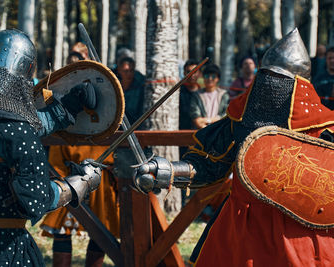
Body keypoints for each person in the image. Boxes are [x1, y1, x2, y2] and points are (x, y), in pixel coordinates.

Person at [134, 28, 334, 266]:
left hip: (296, 231)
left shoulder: (322, 129)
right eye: (266, 76)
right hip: (241, 224)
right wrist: (166, 169)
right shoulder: (241, 120)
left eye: (279, 80)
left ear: (297, 86)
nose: (269, 86)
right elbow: (208, 164)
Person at [0, 29, 103, 266]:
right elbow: (34, 200)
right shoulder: (16, 127)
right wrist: (78, 185)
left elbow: (6, 128)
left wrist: (67, 108)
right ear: (28, 69)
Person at [41, 50, 120, 267]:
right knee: (62, 225)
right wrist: (59, 177)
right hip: (67, 165)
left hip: (99, 171)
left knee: (100, 228)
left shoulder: (104, 99)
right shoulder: (61, 92)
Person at [189, 64, 229, 129]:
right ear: (203, 78)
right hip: (201, 132)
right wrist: (208, 129)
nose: (210, 79)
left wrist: (207, 120)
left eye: (213, 76)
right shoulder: (196, 95)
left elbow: (226, 117)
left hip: (220, 131)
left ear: (218, 79)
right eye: (207, 76)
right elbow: (196, 119)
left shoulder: (224, 95)